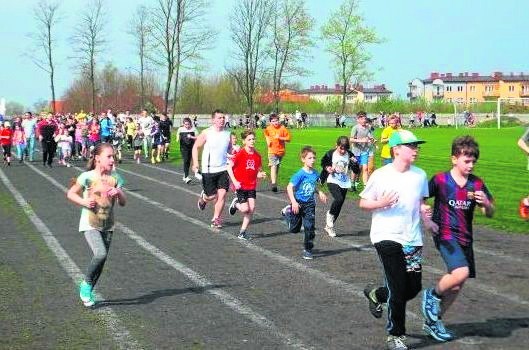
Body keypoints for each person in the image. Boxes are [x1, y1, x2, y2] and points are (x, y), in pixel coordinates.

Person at [360, 130, 435, 350]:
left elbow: (420, 201)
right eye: (411, 145)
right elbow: (364, 203)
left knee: (411, 288)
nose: (416, 149)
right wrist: (380, 203)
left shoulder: (420, 175)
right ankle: (395, 335)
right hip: (386, 236)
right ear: (396, 150)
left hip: (412, 238)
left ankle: (376, 294)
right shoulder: (381, 175)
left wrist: (427, 217)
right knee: (398, 285)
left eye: (416, 145)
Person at [421, 136, 494, 342]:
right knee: (462, 272)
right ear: (454, 159)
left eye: (473, 161)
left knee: (456, 284)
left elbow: (490, 212)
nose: (471, 165)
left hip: (465, 238)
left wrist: (486, 203)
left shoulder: (477, 183)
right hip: (445, 234)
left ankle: (434, 321)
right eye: (466, 161)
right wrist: (426, 219)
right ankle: (432, 295)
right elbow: (420, 199)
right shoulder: (441, 180)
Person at [66, 143, 126, 307]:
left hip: (108, 224)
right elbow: (71, 193)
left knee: (102, 259)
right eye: (109, 156)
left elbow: (123, 203)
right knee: (100, 254)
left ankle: (88, 290)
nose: (112, 159)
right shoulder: (87, 176)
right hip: (89, 222)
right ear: (98, 159)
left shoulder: (116, 178)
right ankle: (85, 285)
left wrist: (119, 192)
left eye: (113, 156)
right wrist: (84, 201)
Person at [281, 146, 327, 260]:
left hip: (310, 204)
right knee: (294, 229)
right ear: (303, 159)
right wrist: (294, 202)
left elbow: (312, 186)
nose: (312, 160)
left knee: (309, 227)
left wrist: (320, 192)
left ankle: (308, 249)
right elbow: (289, 187)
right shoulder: (300, 174)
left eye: (314, 158)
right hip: (298, 203)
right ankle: (287, 212)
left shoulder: (315, 173)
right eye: (310, 158)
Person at [192, 109, 232, 228]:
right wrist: (195, 163)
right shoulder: (206, 133)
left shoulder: (228, 133)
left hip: (223, 169)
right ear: (213, 120)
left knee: (222, 194)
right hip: (208, 170)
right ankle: (204, 197)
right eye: (219, 118)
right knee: (212, 196)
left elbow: (229, 150)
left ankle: (216, 219)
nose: (222, 120)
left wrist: (233, 155)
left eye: (223, 118)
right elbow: (196, 147)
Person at [227, 130, 266, 240]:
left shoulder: (257, 156)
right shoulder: (240, 154)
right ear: (244, 141)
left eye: (253, 139)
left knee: (251, 208)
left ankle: (242, 232)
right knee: (245, 209)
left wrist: (260, 174)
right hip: (241, 186)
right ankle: (235, 204)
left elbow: (256, 171)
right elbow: (229, 167)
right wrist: (234, 181)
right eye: (249, 139)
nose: (252, 141)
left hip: (251, 186)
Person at [319, 136, 358, 237]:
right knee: (339, 199)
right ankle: (330, 216)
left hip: (344, 182)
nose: (342, 150)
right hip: (332, 179)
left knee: (339, 205)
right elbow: (323, 162)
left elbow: (356, 170)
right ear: (336, 145)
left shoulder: (350, 154)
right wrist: (327, 168)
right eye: (341, 148)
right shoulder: (331, 153)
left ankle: (329, 227)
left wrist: (355, 163)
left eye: (345, 148)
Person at [264, 113, 291, 192]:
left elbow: (289, 139)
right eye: (273, 121)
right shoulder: (268, 128)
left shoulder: (282, 128)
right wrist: (268, 140)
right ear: (270, 122)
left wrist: (280, 138)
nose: (275, 122)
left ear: (279, 120)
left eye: (276, 120)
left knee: (276, 168)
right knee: (274, 166)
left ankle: (273, 179)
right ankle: (274, 184)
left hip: (281, 152)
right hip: (272, 151)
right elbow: (266, 134)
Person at [350, 111, 374, 190]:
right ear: (358, 120)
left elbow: (369, 136)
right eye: (362, 118)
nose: (364, 119)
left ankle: (365, 187)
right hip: (356, 152)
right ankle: (352, 184)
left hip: (364, 151)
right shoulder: (355, 128)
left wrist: (372, 139)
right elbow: (351, 139)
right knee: (355, 169)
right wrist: (361, 140)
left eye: (365, 118)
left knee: (365, 168)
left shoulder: (368, 127)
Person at [177, 117, 197, 183]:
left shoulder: (193, 129)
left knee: (188, 161)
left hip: (191, 147)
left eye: (188, 124)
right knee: (185, 160)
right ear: (183, 124)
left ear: (190, 124)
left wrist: (191, 137)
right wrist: (177, 138)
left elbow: (198, 137)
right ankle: (186, 177)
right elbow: (178, 134)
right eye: (185, 124)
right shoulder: (181, 129)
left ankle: (185, 175)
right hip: (183, 147)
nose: (187, 126)